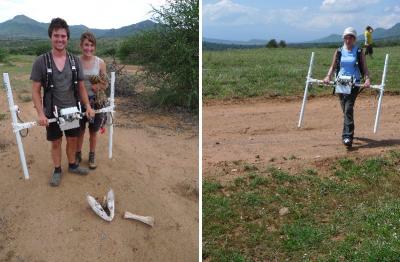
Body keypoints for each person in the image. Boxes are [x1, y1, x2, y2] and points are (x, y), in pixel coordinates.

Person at [31, 18, 95, 186]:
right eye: (56, 35)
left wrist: (87, 106)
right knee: (56, 142)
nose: (60, 39)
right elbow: (36, 90)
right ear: (50, 37)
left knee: (72, 140)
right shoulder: (41, 61)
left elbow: (81, 87)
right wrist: (40, 113)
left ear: (67, 38)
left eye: (63, 36)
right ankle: (58, 169)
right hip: (52, 111)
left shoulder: (75, 61)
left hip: (72, 109)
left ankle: (73, 165)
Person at [323, 27, 371, 148]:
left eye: (350, 37)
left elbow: (364, 68)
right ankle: (349, 129)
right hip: (340, 82)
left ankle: (347, 136)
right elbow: (333, 66)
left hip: (354, 83)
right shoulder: (339, 51)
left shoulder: (359, 51)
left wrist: (367, 79)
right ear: (343, 38)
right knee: (345, 109)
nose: (348, 40)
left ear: (354, 39)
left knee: (348, 107)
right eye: (346, 37)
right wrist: (328, 76)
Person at [75, 32, 108, 169]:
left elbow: (105, 83)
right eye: (86, 45)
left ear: (94, 46)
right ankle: (77, 154)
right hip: (79, 101)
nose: (89, 48)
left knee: (93, 131)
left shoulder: (100, 63)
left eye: (91, 45)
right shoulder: (75, 61)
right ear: (81, 45)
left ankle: (92, 155)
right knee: (80, 131)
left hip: (96, 102)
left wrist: (99, 86)